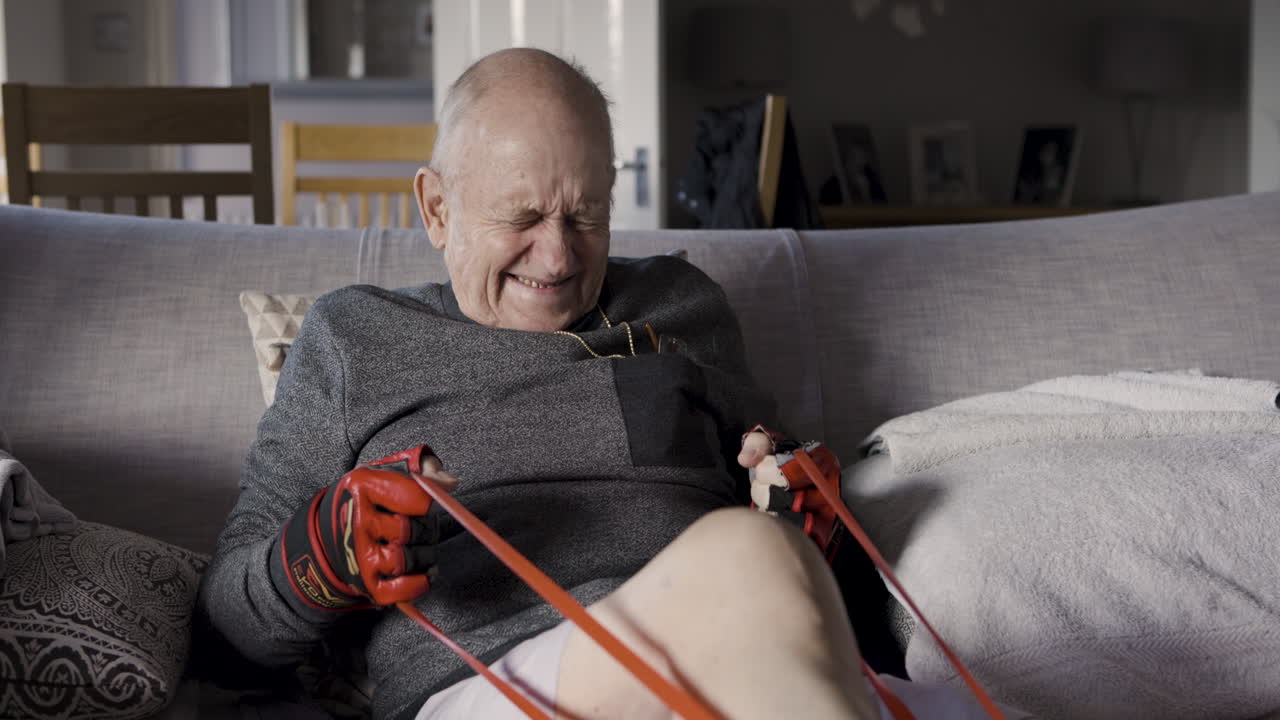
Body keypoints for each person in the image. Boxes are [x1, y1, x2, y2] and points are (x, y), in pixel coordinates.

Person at [200, 48, 1022, 720]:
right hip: (497, 686)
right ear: (437, 208)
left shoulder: (684, 303)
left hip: (748, 658)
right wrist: (321, 556)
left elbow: (813, 576)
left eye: (585, 215)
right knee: (750, 557)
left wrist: (811, 521)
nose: (558, 258)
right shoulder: (355, 337)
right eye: (520, 218)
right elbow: (222, 637)